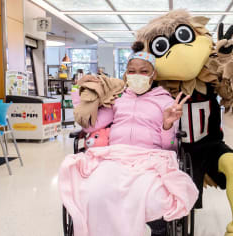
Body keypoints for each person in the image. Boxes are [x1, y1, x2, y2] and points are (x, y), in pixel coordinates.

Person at [64, 42, 196, 236]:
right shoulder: (117, 99)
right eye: (132, 71)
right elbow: (91, 126)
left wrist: (167, 125)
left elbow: (171, 147)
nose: (137, 75)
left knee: (153, 197)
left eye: (144, 71)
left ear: (154, 75)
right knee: (93, 191)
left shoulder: (166, 101)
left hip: (150, 159)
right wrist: (83, 99)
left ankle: (158, 230)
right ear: (126, 74)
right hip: (115, 157)